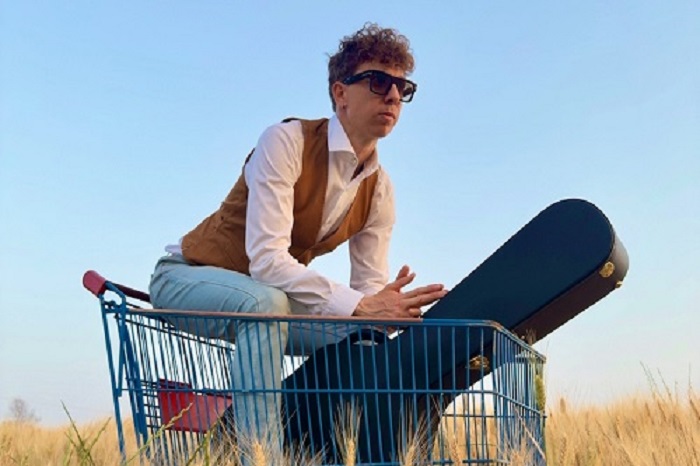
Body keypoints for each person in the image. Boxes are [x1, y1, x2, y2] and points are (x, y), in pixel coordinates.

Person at [148, 23, 447, 460]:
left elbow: (366, 291)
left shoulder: (380, 189)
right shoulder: (286, 141)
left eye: (403, 88)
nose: (393, 96)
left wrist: (384, 311)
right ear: (340, 93)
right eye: (378, 81)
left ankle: (336, 451)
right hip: (187, 277)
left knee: (363, 338)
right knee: (266, 303)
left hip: (265, 299)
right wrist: (362, 305)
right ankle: (260, 456)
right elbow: (268, 261)